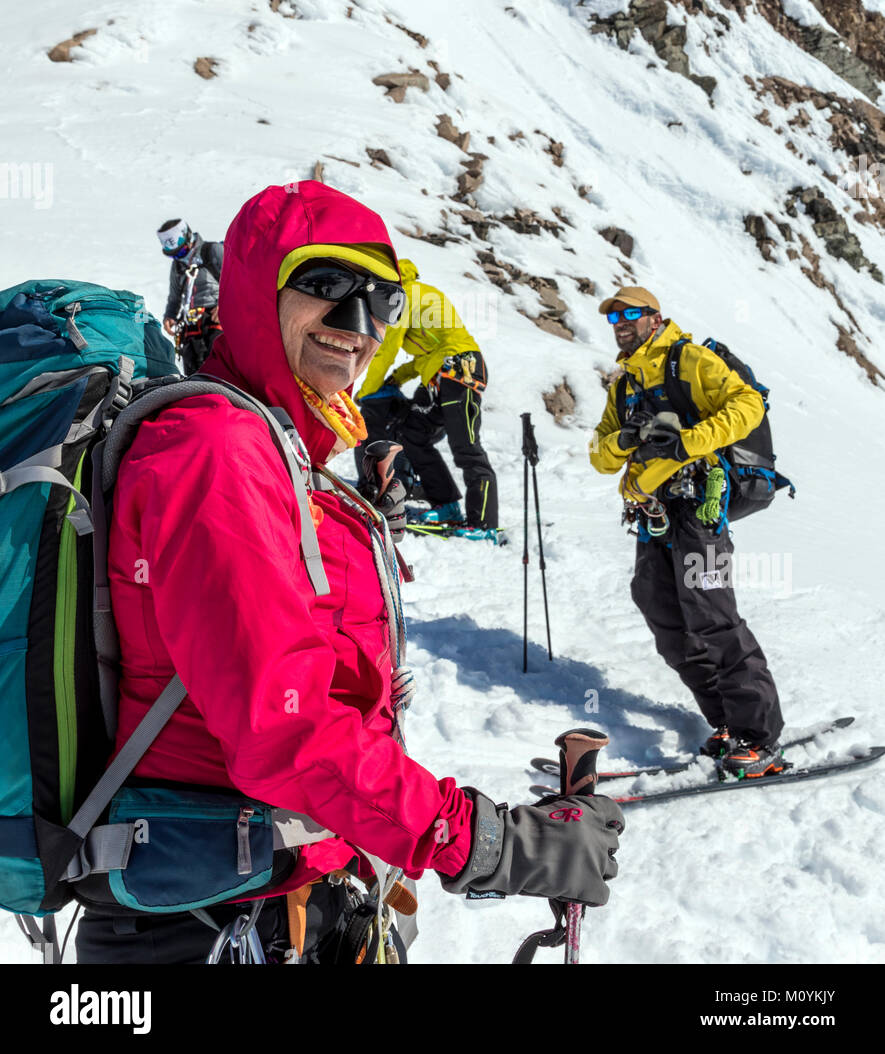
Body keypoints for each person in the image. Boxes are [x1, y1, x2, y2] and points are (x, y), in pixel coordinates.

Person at [76, 182, 622, 963]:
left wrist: (356, 529)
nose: (356, 326)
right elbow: (284, 728)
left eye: (381, 302)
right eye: (324, 285)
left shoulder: (283, 449)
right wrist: (483, 842)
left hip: (291, 890)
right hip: (210, 919)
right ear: (255, 291)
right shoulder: (217, 449)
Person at [589, 285, 785, 777]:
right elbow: (599, 455)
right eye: (615, 317)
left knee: (712, 615)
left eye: (632, 313)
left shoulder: (689, 360)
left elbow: (747, 405)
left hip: (700, 504)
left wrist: (686, 444)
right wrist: (625, 438)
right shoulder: (625, 384)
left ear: (656, 318)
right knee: (662, 610)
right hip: (654, 512)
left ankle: (759, 738)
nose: (622, 322)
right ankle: (726, 723)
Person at [355, 259, 499, 530]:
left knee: (466, 447)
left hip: (460, 370)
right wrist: (397, 378)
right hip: (442, 372)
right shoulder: (419, 295)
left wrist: (367, 391)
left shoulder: (404, 296)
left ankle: (484, 524)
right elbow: (426, 356)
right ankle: (447, 507)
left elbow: (387, 350)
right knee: (413, 434)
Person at [157, 219, 224, 375]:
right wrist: (170, 316)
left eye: (181, 252)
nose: (179, 258)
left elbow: (236, 280)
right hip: (190, 326)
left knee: (218, 368)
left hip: (215, 320)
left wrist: (226, 306)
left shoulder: (212, 251)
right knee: (193, 372)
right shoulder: (178, 266)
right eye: (174, 255)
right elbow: (175, 297)